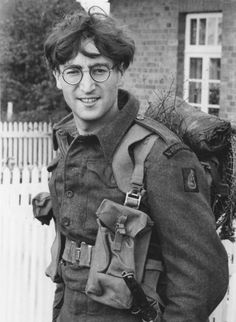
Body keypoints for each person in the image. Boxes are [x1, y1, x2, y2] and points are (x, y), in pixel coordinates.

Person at [40, 8, 229, 322]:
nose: (86, 86)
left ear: (120, 71)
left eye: (99, 70)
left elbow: (202, 278)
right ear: (58, 77)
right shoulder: (67, 145)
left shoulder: (159, 156)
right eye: (73, 71)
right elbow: (68, 260)